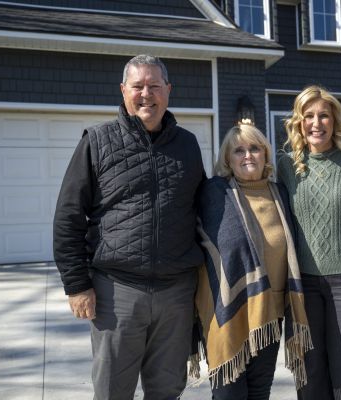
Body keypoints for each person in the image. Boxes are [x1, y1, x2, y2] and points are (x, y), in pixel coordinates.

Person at [53, 54, 206, 399]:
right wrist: (76, 285)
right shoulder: (97, 141)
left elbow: (204, 209)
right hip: (116, 293)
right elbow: (68, 216)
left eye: (154, 86)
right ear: (123, 90)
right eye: (138, 86)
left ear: (168, 90)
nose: (146, 94)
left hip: (176, 295)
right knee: (112, 390)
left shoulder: (187, 145)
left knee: (167, 390)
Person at [192, 124, 312, 400]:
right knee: (228, 393)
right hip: (225, 310)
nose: (248, 155)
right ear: (228, 158)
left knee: (259, 391)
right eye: (239, 150)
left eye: (255, 148)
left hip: (269, 311)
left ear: (265, 154)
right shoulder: (213, 193)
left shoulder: (280, 194)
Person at [277, 85, 341, 400]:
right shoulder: (286, 165)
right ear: (298, 121)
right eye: (308, 116)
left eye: (324, 116)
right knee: (309, 373)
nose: (316, 123)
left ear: (335, 120)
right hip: (302, 283)